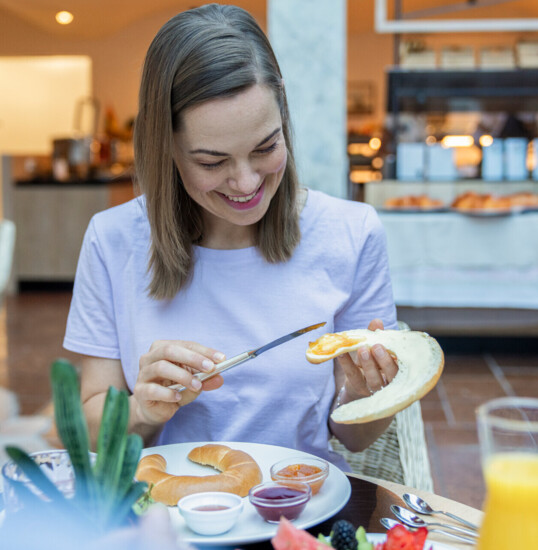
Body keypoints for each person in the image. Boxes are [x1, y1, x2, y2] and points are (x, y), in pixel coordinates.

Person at [63, 3, 398, 469]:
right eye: (211, 162)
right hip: (162, 526)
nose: (245, 184)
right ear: (168, 149)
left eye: (265, 148)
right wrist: (140, 410)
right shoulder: (112, 239)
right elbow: (89, 434)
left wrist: (361, 393)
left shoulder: (352, 233)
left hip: (298, 514)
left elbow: (356, 439)